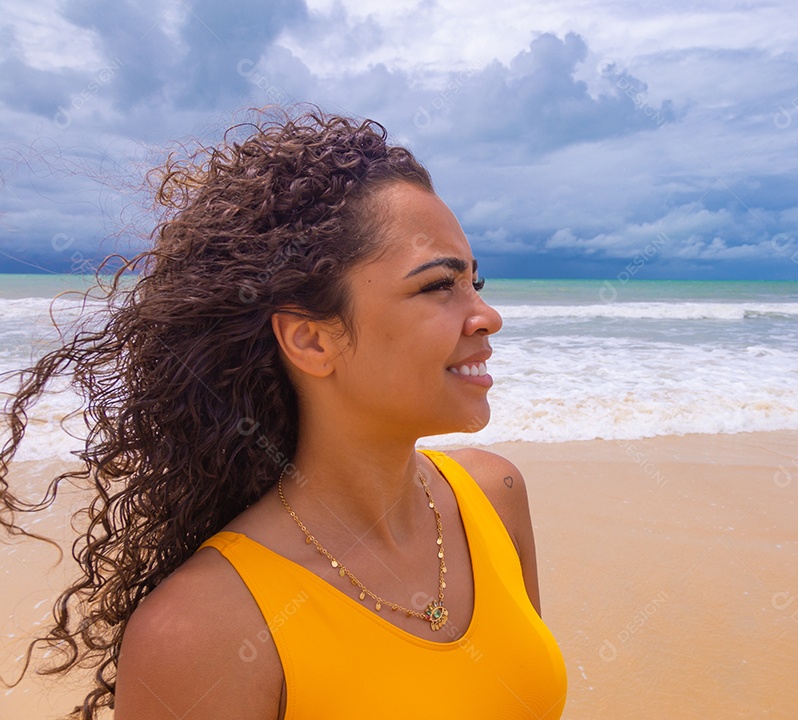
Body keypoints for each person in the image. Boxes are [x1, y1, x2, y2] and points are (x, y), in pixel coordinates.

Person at [0, 109, 567, 719]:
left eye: (475, 281)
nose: (486, 316)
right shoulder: (203, 629)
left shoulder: (493, 494)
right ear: (310, 341)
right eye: (437, 286)